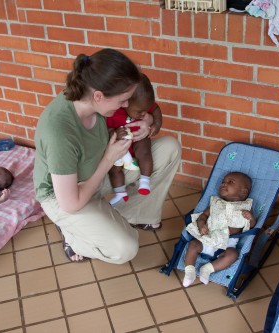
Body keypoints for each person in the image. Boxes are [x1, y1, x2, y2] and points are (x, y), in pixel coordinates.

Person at [33, 48, 181, 264]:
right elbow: (71, 202)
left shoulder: (95, 101)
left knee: (169, 148)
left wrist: (147, 123)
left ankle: (133, 215)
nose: (127, 106)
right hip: (65, 195)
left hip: (98, 173)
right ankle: (73, 235)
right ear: (99, 96)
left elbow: (144, 111)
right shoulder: (59, 131)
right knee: (125, 248)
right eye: (123, 101)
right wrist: (109, 158)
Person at [182, 171, 255, 287]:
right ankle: (189, 271)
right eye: (223, 182)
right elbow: (203, 216)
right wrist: (201, 225)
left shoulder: (245, 208)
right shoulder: (216, 203)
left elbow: (251, 226)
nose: (224, 184)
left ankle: (207, 269)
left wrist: (250, 218)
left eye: (230, 182)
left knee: (233, 254)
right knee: (193, 245)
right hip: (208, 238)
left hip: (227, 244)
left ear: (243, 191)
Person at [106, 73, 162, 206]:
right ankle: (120, 193)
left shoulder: (142, 103)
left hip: (137, 138)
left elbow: (156, 109)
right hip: (119, 146)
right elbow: (103, 129)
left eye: (145, 110)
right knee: (114, 169)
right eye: (140, 111)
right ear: (125, 102)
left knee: (144, 151)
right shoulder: (112, 110)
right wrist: (113, 132)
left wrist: (156, 124)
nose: (144, 113)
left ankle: (144, 181)